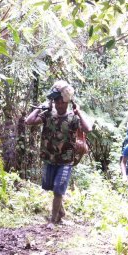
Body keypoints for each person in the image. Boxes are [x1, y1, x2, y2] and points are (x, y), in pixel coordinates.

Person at [24, 80, 93, 228]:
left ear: (67, 103)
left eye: (62, 102)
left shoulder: (73, 118)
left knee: (58, 190)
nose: (59, 105)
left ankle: (53, 220)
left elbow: (88, 129)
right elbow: (28, 121)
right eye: (56, 102)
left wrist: (78, 112)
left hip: (66, 160)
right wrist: (40, 108)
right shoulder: (48, 114)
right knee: (48, 186)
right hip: (49, 158)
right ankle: (61, 212)